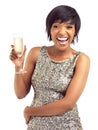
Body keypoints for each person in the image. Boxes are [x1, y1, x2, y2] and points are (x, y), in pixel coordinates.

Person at [9, 5, 90, 130]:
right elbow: (20, 94)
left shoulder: (81, 60)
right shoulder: (36, 53)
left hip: (67, 126)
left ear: (75, 31)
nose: (62, 32)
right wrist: (18, 67)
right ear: (49, 29)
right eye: (56, 26)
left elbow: (68, 104)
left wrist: (30, 111)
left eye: (69, 27)